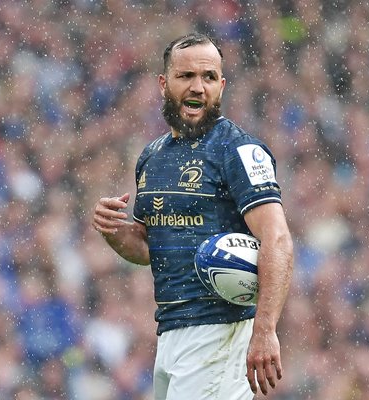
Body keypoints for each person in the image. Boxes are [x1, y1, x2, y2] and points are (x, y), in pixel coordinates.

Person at [92, 32, 294, 399]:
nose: (198, 87)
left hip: (220, 333)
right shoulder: (152, 156)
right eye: (186, 76)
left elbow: (277, 238)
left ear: (222, 85)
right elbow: (148, 247)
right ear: (163, 83)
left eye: (209, 77)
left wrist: (264, 330)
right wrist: (112, 230)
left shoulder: (238, 150)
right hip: (170, 335)